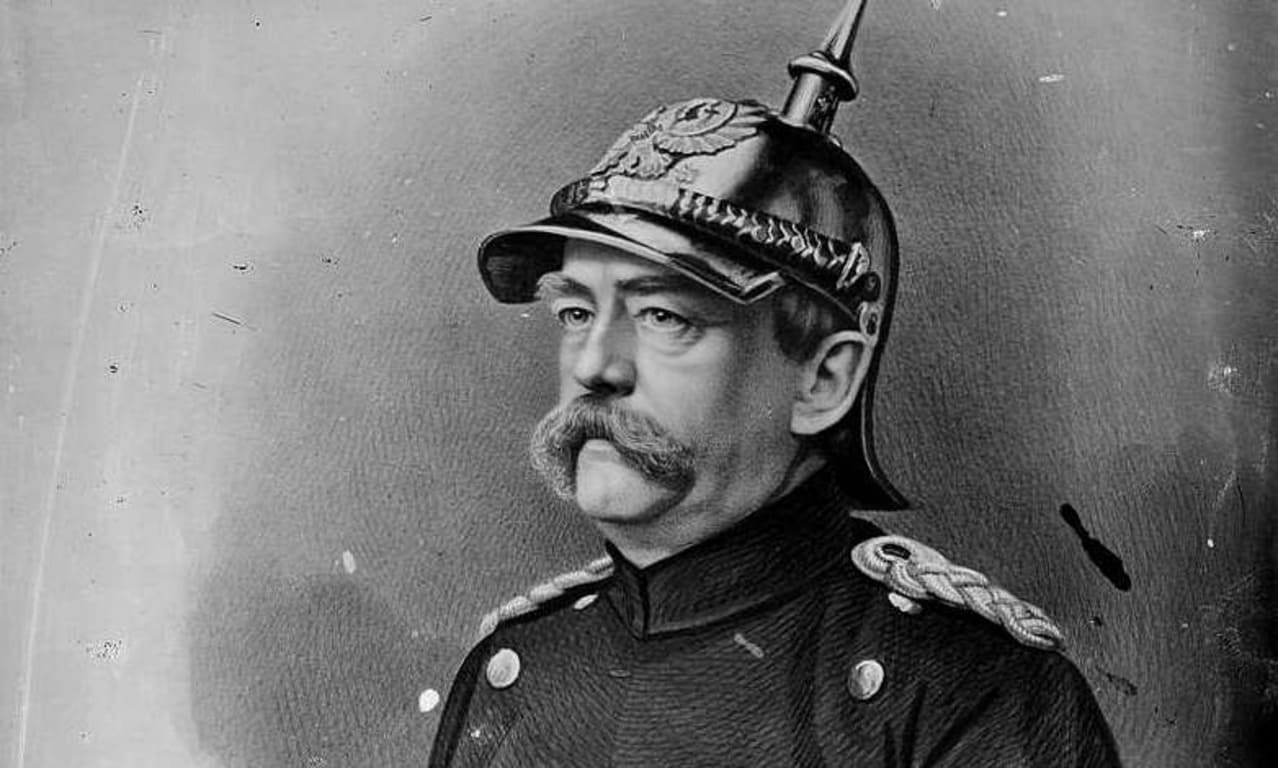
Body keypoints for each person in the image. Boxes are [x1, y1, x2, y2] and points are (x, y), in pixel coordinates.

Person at [430, 2, 1121, 765]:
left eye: (663, 316)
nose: (594, 365)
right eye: (575, 311)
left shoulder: (972, 691)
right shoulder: (518, 673)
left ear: (824, 378)